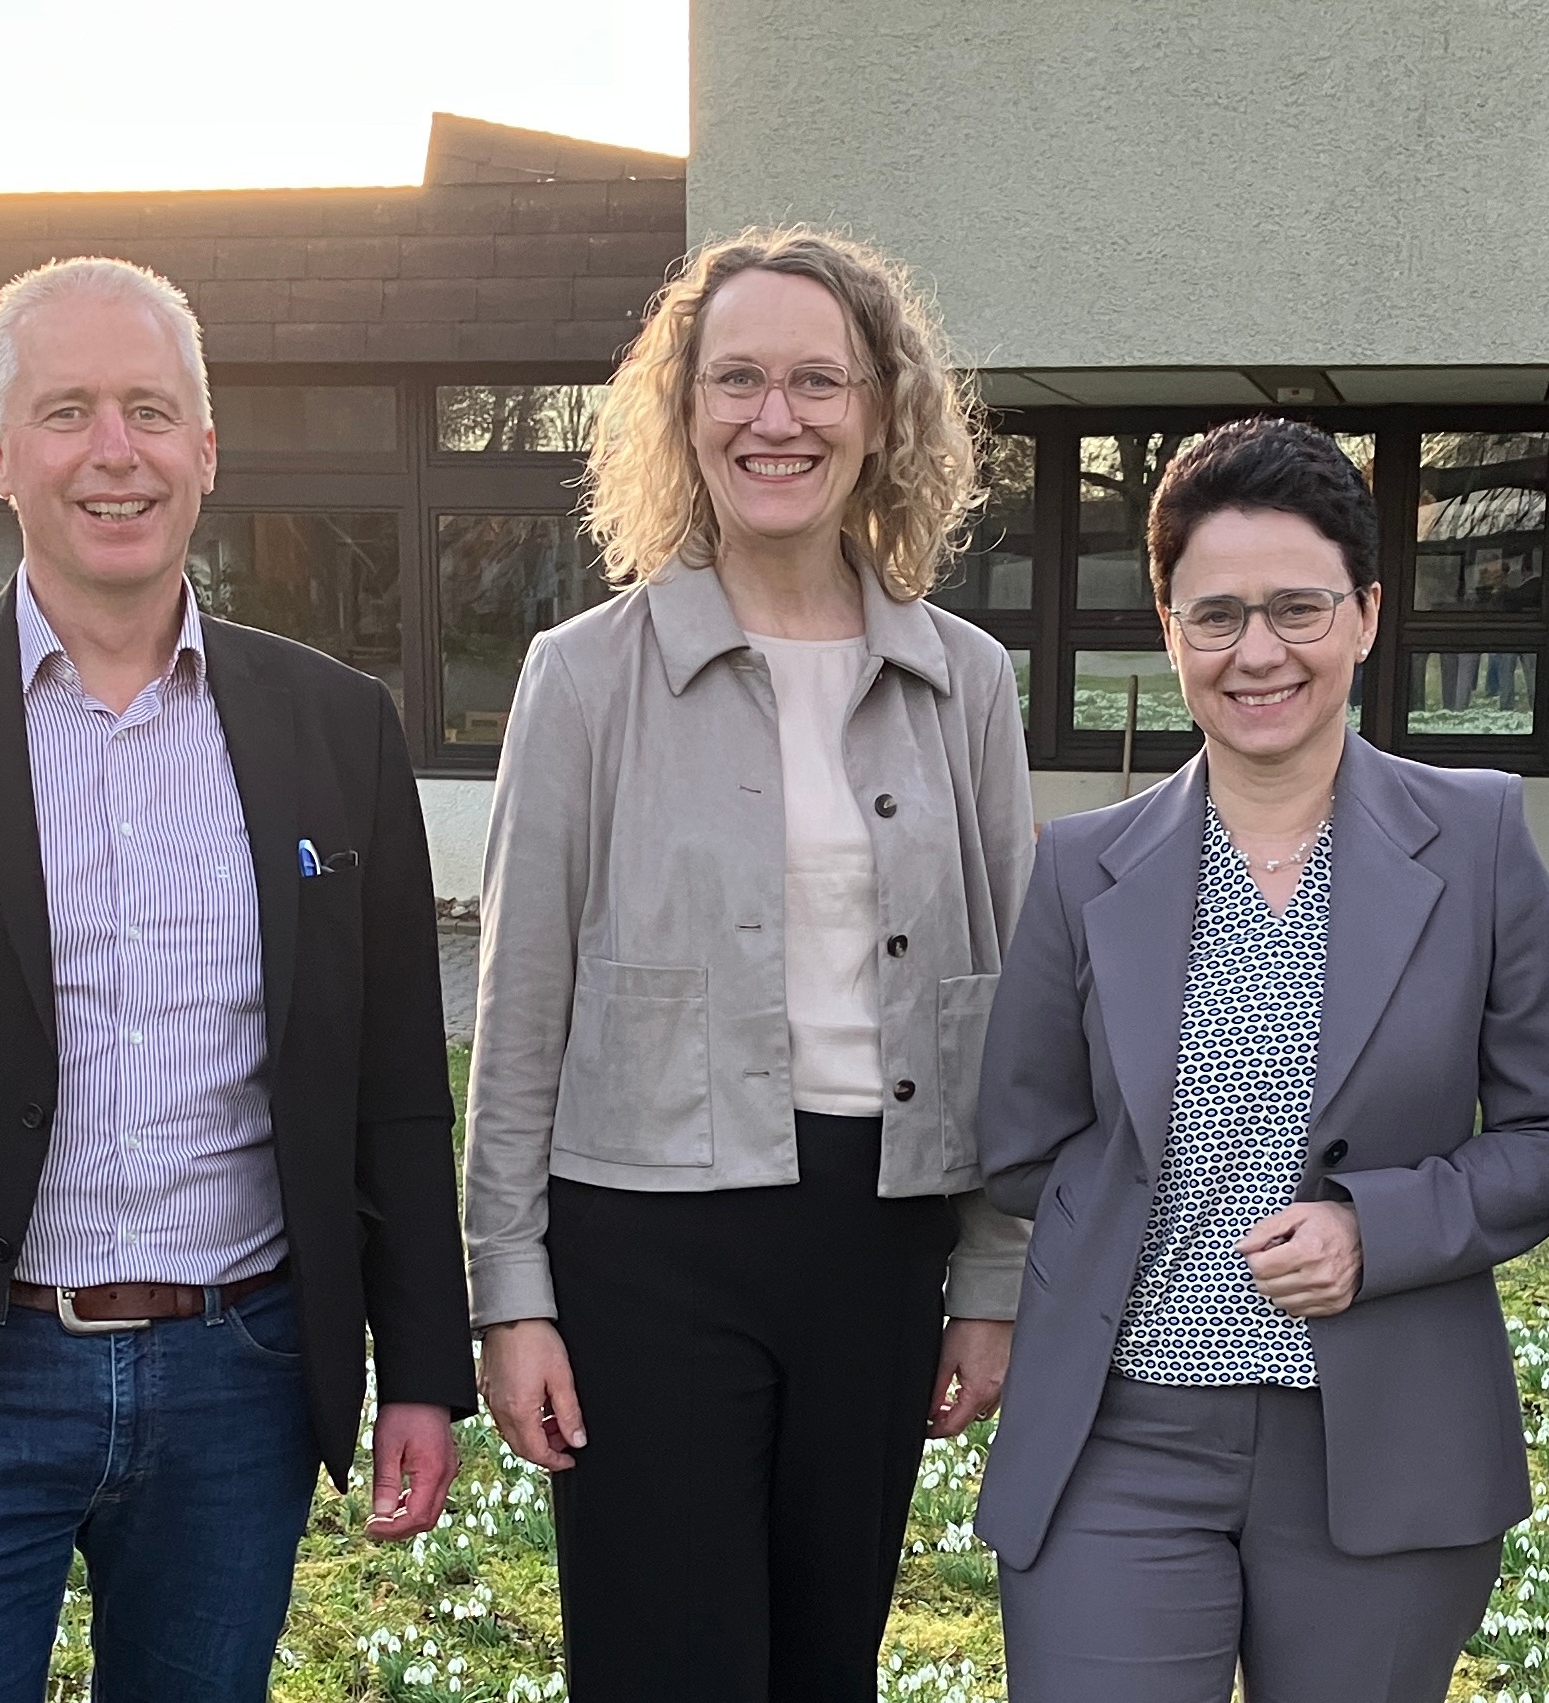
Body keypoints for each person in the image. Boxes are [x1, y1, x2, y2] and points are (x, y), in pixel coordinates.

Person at [0, 255, 468, 1700]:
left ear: (208, 448)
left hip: (237, 1375)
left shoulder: (336, 726)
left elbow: (393, 1089)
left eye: (151, 411)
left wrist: (421, 1364)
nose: (115, 452)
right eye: (66, 412)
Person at [461, 226, 1028, 1703]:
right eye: (737, 382)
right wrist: (509, 1288)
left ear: (881, 413)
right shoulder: (583, 674)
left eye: (815, 382)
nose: (775, 419)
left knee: (825, 1657)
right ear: (684, 411)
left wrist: (997, 1270)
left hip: (881, 1237)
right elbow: (518, 1007)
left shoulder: (966, 680)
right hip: (642, 1242)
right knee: (668, 1664)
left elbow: (1009, 1002)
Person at [968, 416, 1549, 1702]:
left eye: (1296, 608)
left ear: (1367, 615)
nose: (1257, 651)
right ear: (1168, 628)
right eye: (1216, 615)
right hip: (1122, 1433)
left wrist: (1379, 1227)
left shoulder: (1478, 838)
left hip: (1380, 1440)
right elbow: (1022, 1141)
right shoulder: (1083, 865)